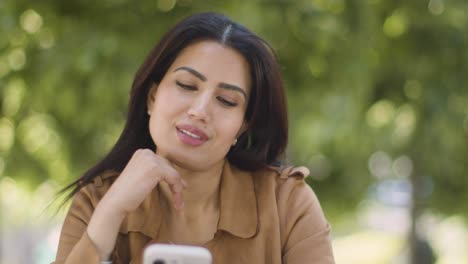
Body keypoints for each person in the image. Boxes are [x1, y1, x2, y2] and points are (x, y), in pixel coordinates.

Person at [53, 12, 335, 264]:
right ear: (152, 97)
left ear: (243, 126)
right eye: (187, 85)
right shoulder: (96, 202)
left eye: (226, 101)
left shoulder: (287, 204)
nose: (200, 111)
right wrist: (109, 214)